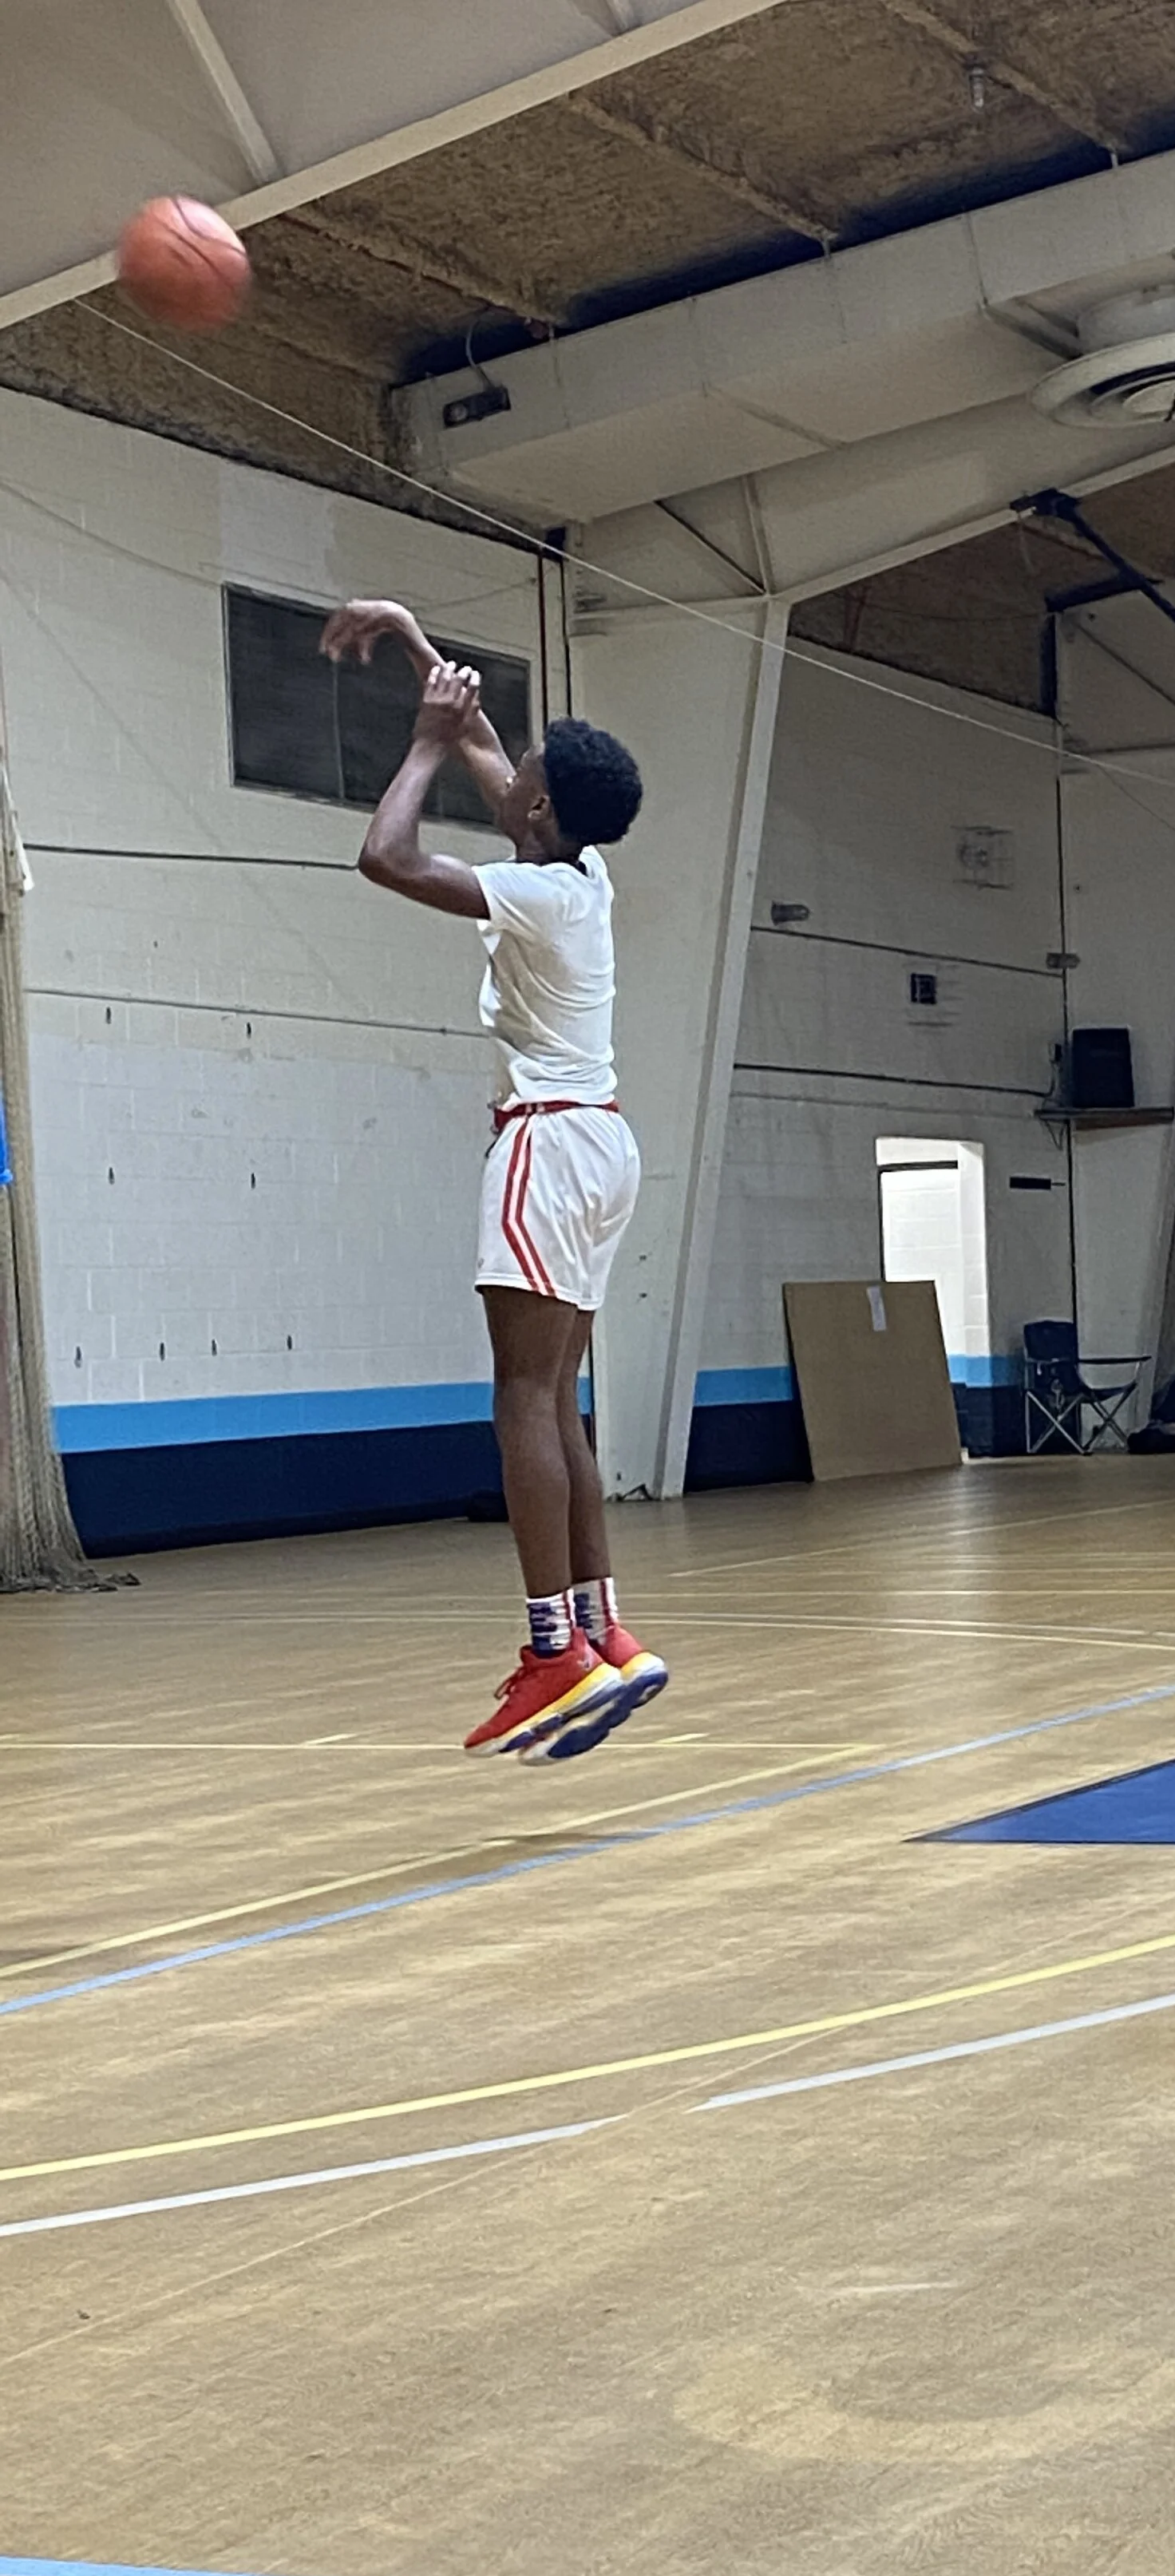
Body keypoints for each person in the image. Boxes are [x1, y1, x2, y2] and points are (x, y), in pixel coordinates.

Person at [323, 598, 668, 1762]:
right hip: (601, 1142)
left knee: (521, 1397)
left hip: (547, 1144)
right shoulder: (579, 874)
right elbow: (494, 762)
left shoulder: (537, 891)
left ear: (542, 808)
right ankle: (605, 1631)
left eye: (520, 774)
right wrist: (420, 645)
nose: (502, 769)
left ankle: (549, 1651)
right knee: (555, 1393)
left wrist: (418, 742)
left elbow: (386, 856)